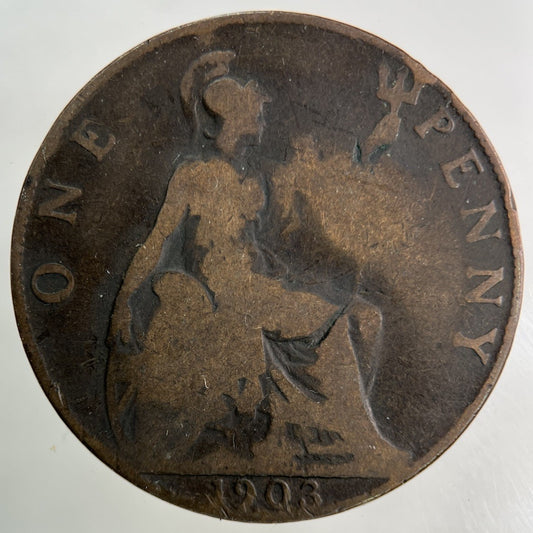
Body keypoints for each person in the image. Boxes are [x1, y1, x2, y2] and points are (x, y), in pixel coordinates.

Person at [105, 50, 406, 476]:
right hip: (232, 298)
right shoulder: (192, 176)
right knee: (357, 322)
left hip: (261, 286)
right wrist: (122, 302)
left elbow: (316, 199)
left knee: (367, 319)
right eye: (256, 113)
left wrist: (371, 150)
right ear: (233, 117)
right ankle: (353, 440)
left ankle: (348, 434)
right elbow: (156, 243)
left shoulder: (255, 179)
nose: (263, 121)